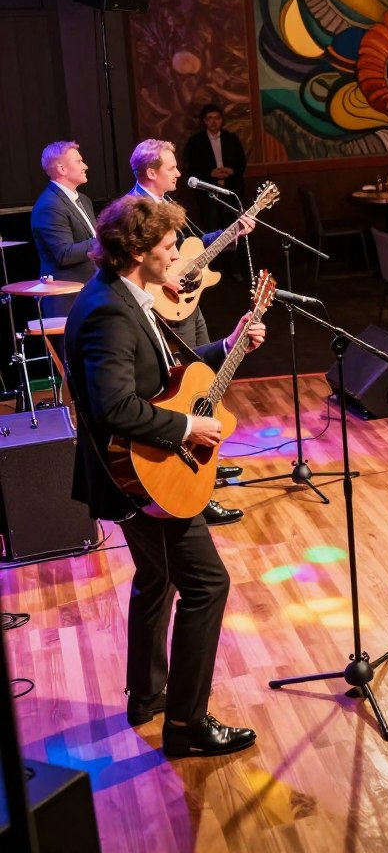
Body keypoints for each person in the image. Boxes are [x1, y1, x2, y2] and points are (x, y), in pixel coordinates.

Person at [64, 194, 265, 757]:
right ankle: (186, 725)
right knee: (208, 585)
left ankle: (147, 694)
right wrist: (183, 430)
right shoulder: (108, 310)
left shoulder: (126, 297)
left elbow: (159, 374)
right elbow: (115, 408)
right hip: (143, 478)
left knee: (158, 580)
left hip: (134, 473)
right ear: (137, 251)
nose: (177, 253)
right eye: (169, 246)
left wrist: (226, 345)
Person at [129, 139, 254, 526]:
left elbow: (190, 253)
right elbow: (153, 267)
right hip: (169, 311)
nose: (179, 172)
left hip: (191, 304)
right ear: (151, 172)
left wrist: (231, 234)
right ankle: (197, 484)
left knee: (205, 380)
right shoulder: (138, 210)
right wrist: (165, 280)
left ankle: (210, 462)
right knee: (185, 389)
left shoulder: (169, 206)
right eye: (172, 166)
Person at [30, 141, 99, 318]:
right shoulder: (49, 206)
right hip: (67, 301)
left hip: (90, 292)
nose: (85, 166)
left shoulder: (83, 199)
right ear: (61, 169)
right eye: (79, 161)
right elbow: (64, 254)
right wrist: (103, 240)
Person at [183, 104, 248, 278]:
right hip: (208, 195)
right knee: (211, 232)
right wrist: (210, 173)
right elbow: (191, 168)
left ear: (222, 120)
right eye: (210, 118)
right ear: (204, 121)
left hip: (230, 190)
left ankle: (236, 270)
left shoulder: (231, 138)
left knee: (232, 230)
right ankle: (213, 273)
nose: (214, 122)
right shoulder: (196, 141)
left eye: (217, 118)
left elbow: (241, 162)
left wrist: (231, 171)